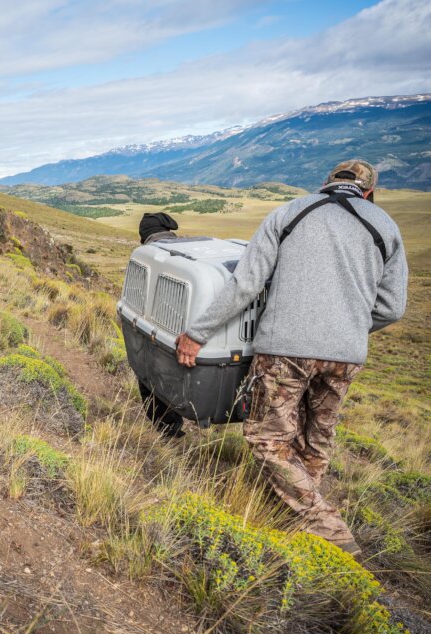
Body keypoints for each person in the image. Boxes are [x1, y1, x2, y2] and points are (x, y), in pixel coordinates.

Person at [174, 160, 408, 555]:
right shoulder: (385, 226)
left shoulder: (290, 212)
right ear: (369, 192)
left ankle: (328, 528)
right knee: (316, 438)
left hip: (286, 348)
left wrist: (197, 334)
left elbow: (245, 283)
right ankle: (299, 526)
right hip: (346, 355)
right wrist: (347, 328)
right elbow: (392, 308)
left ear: (326, 184)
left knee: (266, 437)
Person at [137, 212, 186, 438]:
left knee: (148, 378)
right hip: (191, 334)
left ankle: (168, 430)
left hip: (159, 331)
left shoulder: (147, 255)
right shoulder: (185, 251)